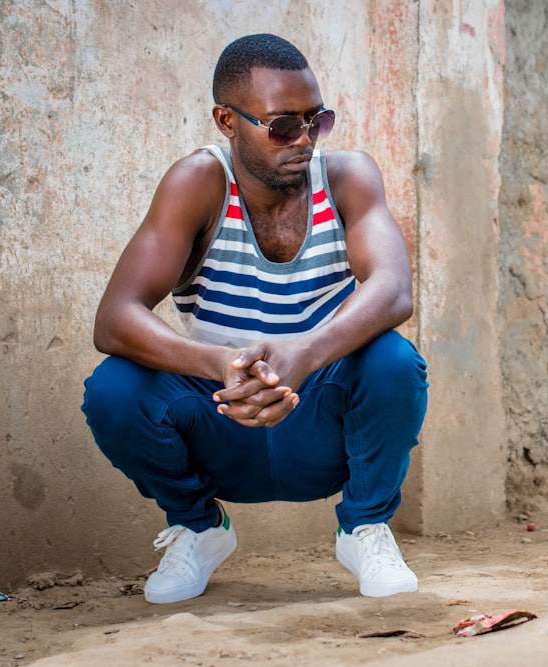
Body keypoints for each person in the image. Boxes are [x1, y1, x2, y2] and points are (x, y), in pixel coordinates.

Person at [81, 33, 428, 604]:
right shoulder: (198, 183)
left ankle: (365, 526)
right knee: (114, 388)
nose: (306, 140)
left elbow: (393, 290)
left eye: (318, 121)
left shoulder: (348, 178)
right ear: (226, 121)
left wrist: (305, 354)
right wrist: (220, 363)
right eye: (284, 125)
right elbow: (114, 318)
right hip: (225, 418)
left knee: (394, 361)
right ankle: (199, 528)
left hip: (319, 418)